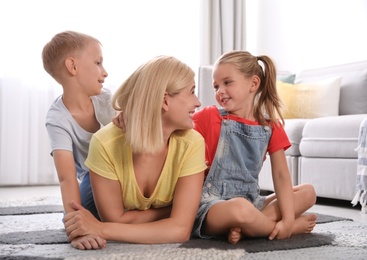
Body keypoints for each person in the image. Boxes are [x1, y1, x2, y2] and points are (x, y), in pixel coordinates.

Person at [63, 55, 207, 250]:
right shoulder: (105, 142)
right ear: (164, 100)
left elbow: (180, 230)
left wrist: (100, 229)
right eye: (191, 92)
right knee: (75, 215)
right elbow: (114, 220)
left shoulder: (192, 143)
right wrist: (175, 213)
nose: (198, 102)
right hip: (92, 195)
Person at [191, 50, 317, 244]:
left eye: (227, 82)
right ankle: (280, 229)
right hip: (212, 205)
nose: (219, 91)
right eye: (216, 86)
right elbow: (175, 122)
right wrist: (290, 224)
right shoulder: (209, 116)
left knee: (308, 193)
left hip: (251, 201)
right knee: (240, 209)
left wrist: (288, 217)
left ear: (254, 83)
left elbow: (282, 176)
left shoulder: (270, 127)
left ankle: (253, 226)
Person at [43, 31, 115, 229]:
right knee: (82, 210)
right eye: (98, 63)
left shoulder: (107, 99)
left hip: (126, 171)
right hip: (95, 179)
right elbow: (66, 178)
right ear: (72, 66)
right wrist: (76, 225)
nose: (105, 71)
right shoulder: (57, 119)